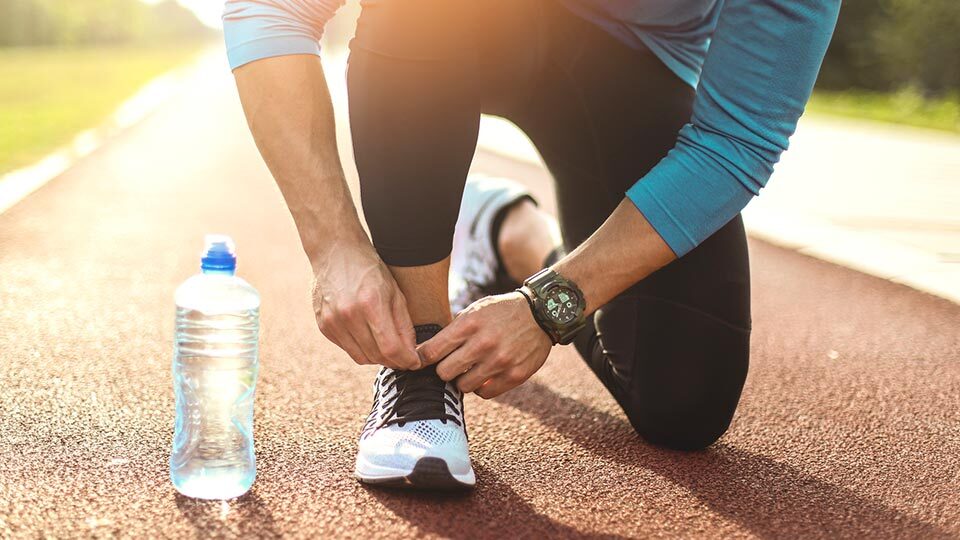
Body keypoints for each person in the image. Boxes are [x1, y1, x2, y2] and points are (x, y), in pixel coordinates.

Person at [223, 0, 840, 489]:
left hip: (625, 65)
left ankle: (508, 237)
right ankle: (420, 373)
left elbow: (739, 139)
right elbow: (269, 9)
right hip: (449, 24)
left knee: (684, 403)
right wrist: (334, 245)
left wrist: (547, 306)